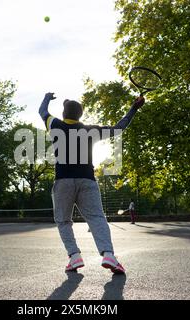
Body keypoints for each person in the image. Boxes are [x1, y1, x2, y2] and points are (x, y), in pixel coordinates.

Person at [39, 92, 145, 274]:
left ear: (64, 114)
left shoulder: (55, 125)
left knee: (63, 221)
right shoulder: (90, 130)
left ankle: (74, 257)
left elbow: (42, 110)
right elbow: (120, 127)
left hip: (63, 180)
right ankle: (109, 255)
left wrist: (48, 97)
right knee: (96, 218)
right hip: (87, 180)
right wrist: (134, 108)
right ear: (81, 115)